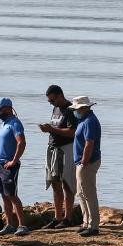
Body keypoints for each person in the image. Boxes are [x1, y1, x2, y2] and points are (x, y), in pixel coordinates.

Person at [38, 84, 78, 229]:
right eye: (49, 101)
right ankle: (57, 217)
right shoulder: (56, 108)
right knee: (55, 183)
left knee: (67, 182)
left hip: (65, 148)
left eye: (53, 100)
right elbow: (57, 127)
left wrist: (52, 129)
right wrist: (48, 129)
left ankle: (67, 217)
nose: (51, 103)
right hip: (53, 147)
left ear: (60, 95)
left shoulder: (71, 109)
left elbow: (73, 132)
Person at [0, 97, 28, 236]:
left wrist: (14, 161)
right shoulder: (4, 123)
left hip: (10, 165)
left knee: (12, 195)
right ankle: (10, 225)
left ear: (7, 108)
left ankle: (22, 225)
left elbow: (21, 143)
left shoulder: (15, 123)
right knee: (4, 196)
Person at [69, 96, 102, 237]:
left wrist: (84, 161)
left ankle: (93, 226)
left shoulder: (89, 121)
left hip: (87, 162)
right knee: (81, 193)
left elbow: (89, 143)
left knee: (89, 193)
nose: (74, 111)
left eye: (76, 109)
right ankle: (86, 222)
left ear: (83, 108)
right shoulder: (84, 120)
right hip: (82, 161)